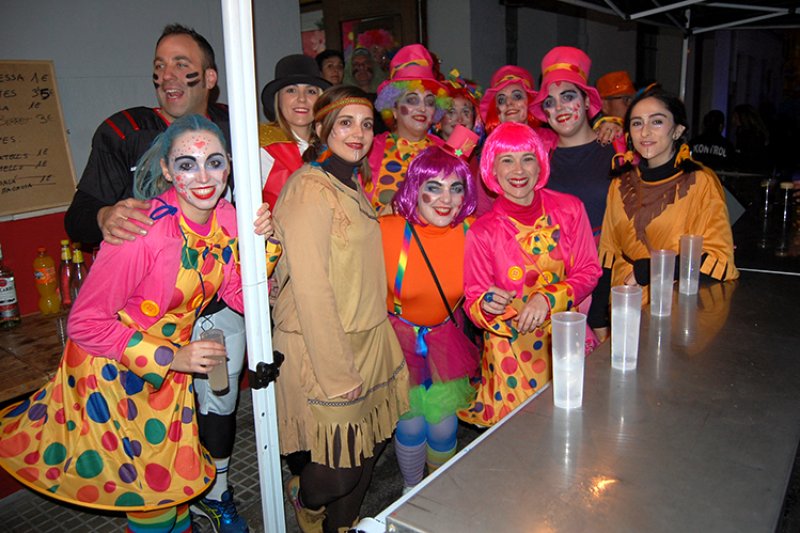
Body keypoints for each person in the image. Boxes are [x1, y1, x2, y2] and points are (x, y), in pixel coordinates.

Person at [0, 115, 275, 533]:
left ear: (229, 166)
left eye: (215, 162)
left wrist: (265, 247)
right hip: (114, 374)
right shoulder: (142, 230)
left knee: (173, 490)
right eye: (187, 164)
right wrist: (172, 355)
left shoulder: (226, 219)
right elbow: (85, 323)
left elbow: (240, 297)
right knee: (152, 502)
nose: (203, 176)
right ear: (166, 170)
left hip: (166, 381)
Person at [61, 24, 250, 531]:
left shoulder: (241, 130)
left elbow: (243, 276)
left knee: (214, 411)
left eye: (181, 63)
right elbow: (80, 219)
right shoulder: (124, 137)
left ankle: (216, 492)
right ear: (166, 169)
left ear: (209, 76)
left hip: (209, 307)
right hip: (133, 339)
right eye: (159, 66)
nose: (168, 75)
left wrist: (263, 246)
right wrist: (106, 220)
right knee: (150, 481)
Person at [271, 86, 409, 533]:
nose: (359, 133)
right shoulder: (310, 188)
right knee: (340, 468)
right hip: (325, 347)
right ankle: (305, 503)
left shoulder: (349, 181)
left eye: (367, 124)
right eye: (346, 122)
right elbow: (312, 290)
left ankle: (340, 528)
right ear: (321, 127)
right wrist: (337, 373)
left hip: (367, 336)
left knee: (366, 451)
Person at [457, 122, 601, 427]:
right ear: (492, 170)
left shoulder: (570, 209)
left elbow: (590, 270)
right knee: (523, 449)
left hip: (565, 346)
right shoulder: (482, 231)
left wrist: (547, 299)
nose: (518, 170)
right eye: (506, 160)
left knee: (576, 434)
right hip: (512, 359)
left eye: (527, 158)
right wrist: (487, 305)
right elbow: (473, 299)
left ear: (540, 164)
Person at [380, 127, 481, 493]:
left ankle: (436, 492)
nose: (446, 199)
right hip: (396, 342)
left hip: (444, 341)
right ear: (415, 191)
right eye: (433, 187)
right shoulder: (387, 230)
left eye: (456, 188)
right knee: (409, 424)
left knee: (443, 426)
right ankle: (410, 489)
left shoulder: (473, 233)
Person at [588, 88, 739, 330]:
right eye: (637, 123)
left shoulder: (700, 182)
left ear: (678, 130)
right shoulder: (620, 183)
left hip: (676, 312)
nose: (645, 132)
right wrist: (597, 322)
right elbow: (608, 254)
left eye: (657, 122)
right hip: (624, 306)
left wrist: (648, 270)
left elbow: (719, 261)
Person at [532, 46, 619, 242]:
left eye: (568, 96)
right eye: (549, 102)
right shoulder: (539, 156)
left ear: (587, 101)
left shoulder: (618, 149)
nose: (559, 107)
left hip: (610, 268)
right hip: (557, 268)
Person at [366, 44, 450, 212]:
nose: (422, 108)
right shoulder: (369, 149)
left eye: (430, 102)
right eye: (412, 100)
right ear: (394, 109)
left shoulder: (446, 152)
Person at [259, 54, 331, 209]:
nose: (302, 99)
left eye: (311, 91)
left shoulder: (334, 145)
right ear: (278, 99)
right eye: (291, 90)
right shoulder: (261, 147)